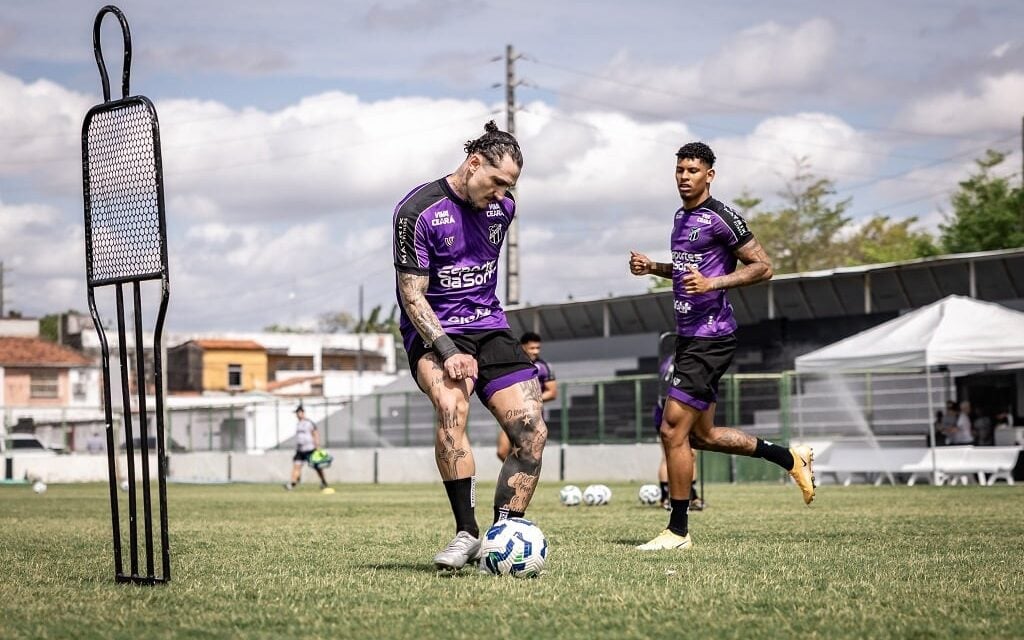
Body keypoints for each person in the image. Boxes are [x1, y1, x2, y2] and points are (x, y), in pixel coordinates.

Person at [628, 141, 815, 551]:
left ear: (709, 175)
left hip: (711, 337)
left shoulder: (721, 216)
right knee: (702, 437)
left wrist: (713, 283)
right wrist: (653, 268)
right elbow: (685, 270)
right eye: (679, 169)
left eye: (692, 170)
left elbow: (763, 266)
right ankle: (790, 459)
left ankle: (677, 531)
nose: (683, 176)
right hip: (689, 337)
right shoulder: (681, 216)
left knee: (671, 429)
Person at [392, 121, 548, 571]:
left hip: (490, 327)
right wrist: (447, 351)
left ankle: (503, 533)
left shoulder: (503, 209)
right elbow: (411, 294)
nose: (502, 194)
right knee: (451, 407)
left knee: (532, 430)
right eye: (497, 182)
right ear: (473, 162)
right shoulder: (418, 211)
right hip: (436, 331)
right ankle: (466, 532)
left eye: (510, 186)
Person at [496, 332, 557, 461]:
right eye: (532, 348)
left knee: (526, 455)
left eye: (538, 348)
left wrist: (528, 399)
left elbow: (552, 392)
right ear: (523, 347)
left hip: (531, 416)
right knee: (502, 451)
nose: (535, 351)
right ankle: (515, 475)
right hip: (511, 413)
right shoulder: (513, 364)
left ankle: (522, 479)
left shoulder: (544, 367)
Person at [284, 405, 333, 494]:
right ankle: (292, 484)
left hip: (310, 449)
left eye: (298, 413)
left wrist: (317, 446)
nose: (297, 415)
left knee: (318, 467)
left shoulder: (309, 423)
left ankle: (324, 482)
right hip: (300, 450)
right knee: (296, 466)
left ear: (302, 412)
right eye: (296, 413)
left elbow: (315, 433)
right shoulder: (298, 424)